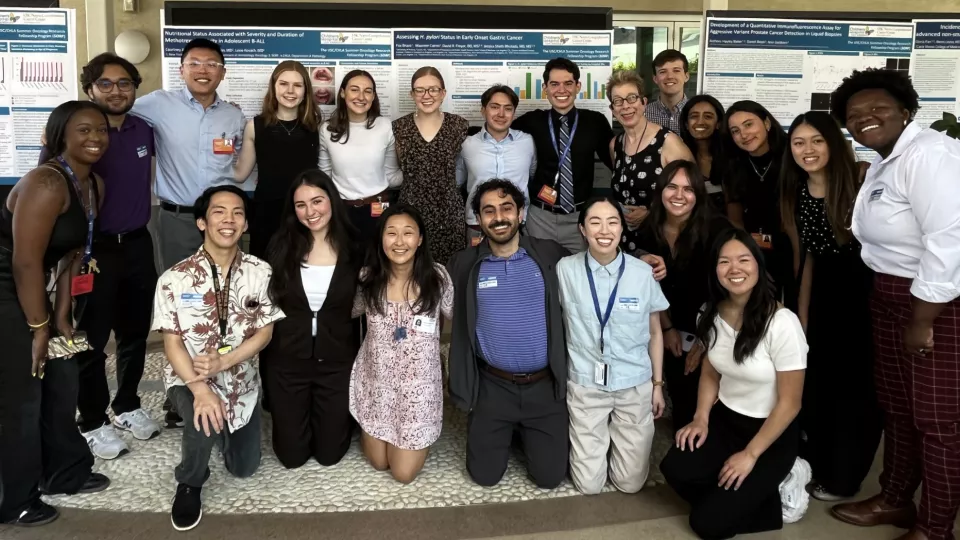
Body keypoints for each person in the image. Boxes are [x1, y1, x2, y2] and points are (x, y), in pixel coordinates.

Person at [828, 68, 960, 540]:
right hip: (888, 295)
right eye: (854, 114)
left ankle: (935, 527)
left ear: (906, 110)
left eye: (877, 108)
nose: (865, 118)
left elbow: (950, 240)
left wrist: (923, 319)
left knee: (938, 421)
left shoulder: (932, 155)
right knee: (898, 408)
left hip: (933, 305)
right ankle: (896, 499)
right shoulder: (886, 161)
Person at [37, 53, 161, 459]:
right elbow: (49, 182)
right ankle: (91, 420)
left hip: (139, 243)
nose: (116, 90)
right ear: (89, 88)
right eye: (105, 84)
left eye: (124, 83)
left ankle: (126, 405)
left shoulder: (143, 129)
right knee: (91, 339)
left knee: (135, 332)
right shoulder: (79, 132)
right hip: (93, 251)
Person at [0, 101, 111, 526]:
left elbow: (71, 255)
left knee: (63, 378)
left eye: (101, 130)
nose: (96, 138)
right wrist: (39, 327)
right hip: (9, 284)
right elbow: (25, 262)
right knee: (24, 392)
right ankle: (15, 499)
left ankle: (64, 472)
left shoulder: (92, 183)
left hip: (40, 284)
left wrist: (62, 319)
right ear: (60, 135)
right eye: (84, 130)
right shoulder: (46, 183)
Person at [660, 228, 808, 539]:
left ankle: (780, 484)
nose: (734, 269)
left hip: (769, 435)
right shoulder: (714, 313)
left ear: (758, 265)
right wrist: (701, 418)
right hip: (727, 422)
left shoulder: (783, 323)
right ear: (715, 270)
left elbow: (790, 402)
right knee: (674, 468)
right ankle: (738, 497)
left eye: (743, 259)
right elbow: (711, 371)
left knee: (705, 524)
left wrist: (751, 455)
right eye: (724, 261)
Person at [151, 185, 284, 531]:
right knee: (204, 418)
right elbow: (173, 344)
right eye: (218, 212)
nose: (229, 220)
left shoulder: (261, 272)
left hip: (242, 382)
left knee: (244, 468)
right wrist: (201, 390)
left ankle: (224, 427)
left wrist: (226, 362)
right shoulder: (173, 279)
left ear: (246, 225)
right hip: (189, 378)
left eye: (237, 213)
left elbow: (265, 332)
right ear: (201, 222)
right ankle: (190, 481)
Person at [780, 111, 881, 503]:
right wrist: (801, 321)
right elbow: (807, 261)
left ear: (832, 142)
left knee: (857, 391)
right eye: (799, 142)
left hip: (866, 297)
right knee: (820, 387)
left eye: (816, 140)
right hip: (823, 299)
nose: (808, 150)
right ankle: (816, 465)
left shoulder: (860, 179)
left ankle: (845, 477)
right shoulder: (796, 191)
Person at [446, 179, 569, 488]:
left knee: (550, 478)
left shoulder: (550, 254)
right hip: (492, 387)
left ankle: (523, 431)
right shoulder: (464, 264)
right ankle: (508, 429)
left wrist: (638, 260)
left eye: (506, 208)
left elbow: (593, 265)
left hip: (544, 386)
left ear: (521, 213)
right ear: (477, 219)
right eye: (488, 211)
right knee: (484, 477)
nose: (498, 217)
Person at [557, 196, 669, 495]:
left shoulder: (642, 273)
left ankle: (618, 447)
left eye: (613, 222)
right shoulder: (565, 270)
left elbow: (655, 333)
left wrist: (657, 385)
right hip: (586, 384)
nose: (604, 230)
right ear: (582, 229)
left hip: (633, 383)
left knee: (630, 484)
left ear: (622, 229)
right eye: (595, 222)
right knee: (589, 485)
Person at [261, 170, 361, 469]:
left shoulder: (356, 247)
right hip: (288, 361)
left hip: (337, 361)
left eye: (317, 201)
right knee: (292, 457)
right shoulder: (280, 246)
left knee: (330, 455)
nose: (310, 211)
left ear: (332, 200)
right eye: (301, 205)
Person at [351, 204, 454, 483]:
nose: (399, 242)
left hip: (418, 391)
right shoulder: (367, 278)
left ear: (420, 239)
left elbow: (460, 319)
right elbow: (349, 313)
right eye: (391, 233)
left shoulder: (438, 278)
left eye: (408, 233)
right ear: (381, 239)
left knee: (403, 473)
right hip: (378, 385)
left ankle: (421, 435)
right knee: (378, 462)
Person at [132, 38, 248, 270]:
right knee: (179, 288)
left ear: (223, 73)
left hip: (222, 218)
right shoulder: (159, 103)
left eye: (212, 64)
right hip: (178, 219)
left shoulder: (234, 115)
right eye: (194, 63)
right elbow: (114, 109)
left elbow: (241, 161)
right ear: (181, 70)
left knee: (227, 285)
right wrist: (63, 124)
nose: (203, 70)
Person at [634, 161, 732, 431]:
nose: (679, 195)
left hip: (715, 329)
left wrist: (707, 339)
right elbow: (651, 287)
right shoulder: (649, 228)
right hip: (673, 327)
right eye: (672, 187)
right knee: (683, 413)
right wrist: (667, 328)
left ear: (699, 195)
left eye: (688, 189)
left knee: (715, 412)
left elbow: (731, 291)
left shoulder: (718, 230)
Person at [512, 58, 614, 253]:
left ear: (578, 86)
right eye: (554, 84)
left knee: (579, 277)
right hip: (540, 218)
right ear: (545, 88)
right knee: (541, 275)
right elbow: (498, 132)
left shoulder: (595, 122)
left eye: (568, 83)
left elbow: (617, 163)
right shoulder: (531, 121)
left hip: (580, 220)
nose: (562, 90)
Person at [233, 60, 321, 259]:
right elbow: (239, 174)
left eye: (297, 85)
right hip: (266, 215)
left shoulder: (316, 127)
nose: (290, 91)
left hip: (306, 215)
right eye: (283, 84)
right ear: (273, 87)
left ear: (306, 91)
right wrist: (213, 153)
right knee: (264, 276)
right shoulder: (255, 126)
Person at [606, 70, 693, 251]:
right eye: (618, 101)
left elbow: (694, 193)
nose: (626, 106)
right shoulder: (616, 145)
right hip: (625, 241)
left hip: (662, 239)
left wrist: (651, 213)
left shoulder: (668, 142)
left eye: (632, 98)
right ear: (613, 110)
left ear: (644, 102)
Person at [722, 100, 796, 307]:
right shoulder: (734, 166)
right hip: (755, 249)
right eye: (735, 131)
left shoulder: (791, 157)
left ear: (767, 123)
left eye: (748, 124)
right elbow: (735, 220)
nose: (743, 134)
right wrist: (754, 261)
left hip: (794, 248)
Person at [393, 67, 469, 265]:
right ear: (412, 94)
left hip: (449, 215)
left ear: (443, 93)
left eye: (433, 89)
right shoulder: (398, 128)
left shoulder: (458, 126)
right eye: (420, 90)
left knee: (450, 273)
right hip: (410, 213)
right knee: (411, 271)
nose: (427, 96)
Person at [319, 69, 402, 243]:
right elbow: (324, 177)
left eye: (368, 91)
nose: (361, 97)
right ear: (342, 93)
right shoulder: (327, 130)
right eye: (354, 89)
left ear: (373, 96)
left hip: (379, 209)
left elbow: (391, 176)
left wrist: (421, 170)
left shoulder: (385, 126)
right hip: (341, 212)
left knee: (378, 265)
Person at [456, 85, 536, 246]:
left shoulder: (527, 142)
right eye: (494, 107)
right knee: (477, 268)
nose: (501, 114)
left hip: (517, 223)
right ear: (483, 110)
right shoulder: (467, 144)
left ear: (514, 113)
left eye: (508, 108)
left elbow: (532, 175)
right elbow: (458, 181)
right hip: (478, 224)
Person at [678, 95, 726, 211]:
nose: (700, 122)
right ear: (686, 124)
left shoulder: (731, 158)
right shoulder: (678, 157)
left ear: (718, 123)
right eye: (694, 116)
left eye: (708, 117)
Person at [645, 50, 690, 133]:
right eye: (663, 72)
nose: (669, 76)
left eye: (676, 70)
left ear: (686, 76)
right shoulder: (643, 115)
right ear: (655, 79)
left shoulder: (695, 113)